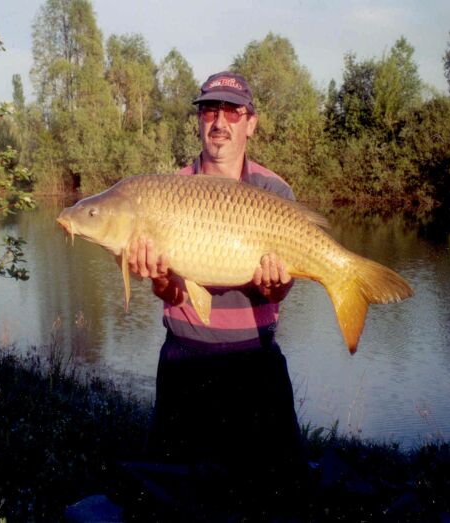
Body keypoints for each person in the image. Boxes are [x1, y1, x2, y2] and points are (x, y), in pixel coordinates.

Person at [126, 71, 306, 512]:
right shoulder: (168, 190)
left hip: (254, 362)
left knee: (271, 500)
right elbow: (172, 294)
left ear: (251, 122)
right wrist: (160, 279)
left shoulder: (273, 189)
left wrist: (278, 281)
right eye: (210, 110)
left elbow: (280, 293)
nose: (220, 122)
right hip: (185, 359)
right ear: (199, 120)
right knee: (172, 500)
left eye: (232, 111)